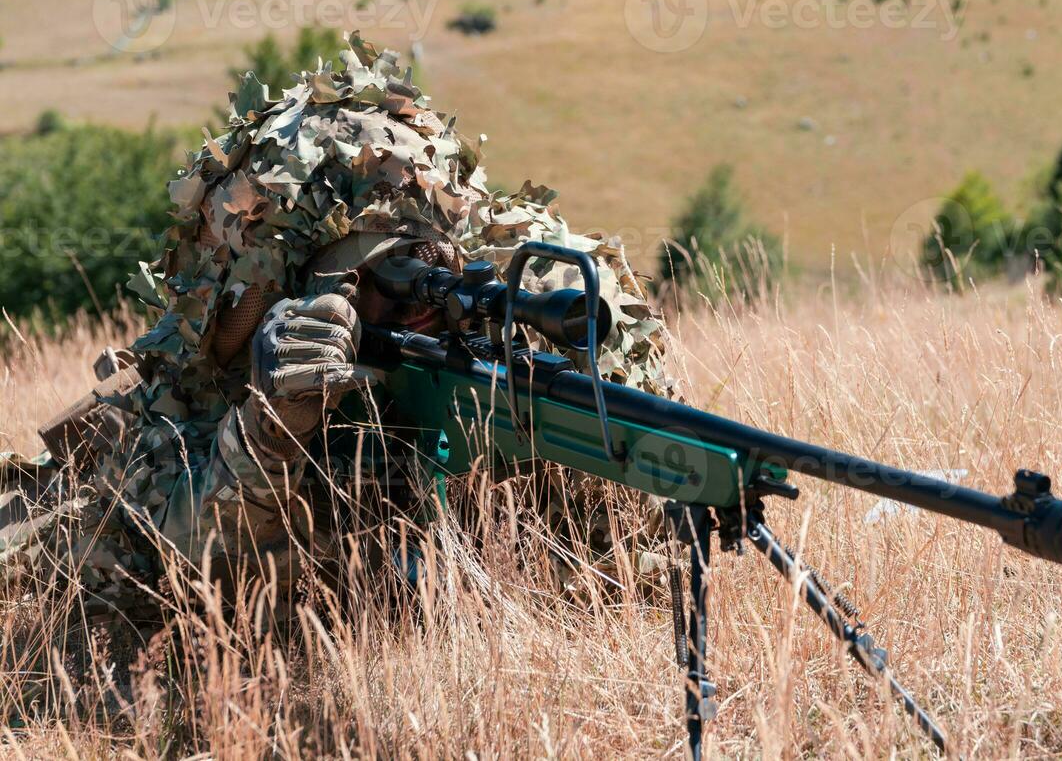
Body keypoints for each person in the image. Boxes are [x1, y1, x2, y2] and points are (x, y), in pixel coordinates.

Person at [0, 32, 671, 654]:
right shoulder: (201, 389)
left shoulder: (477, 318)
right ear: (303, 290)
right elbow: (187, 560)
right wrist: (274, 428)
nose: (420, 300)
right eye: (381, 276)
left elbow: (611, 530)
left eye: (427, 261)